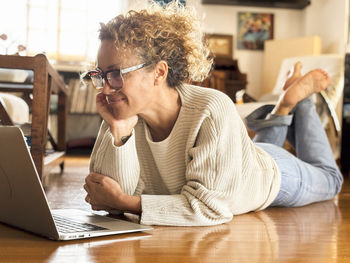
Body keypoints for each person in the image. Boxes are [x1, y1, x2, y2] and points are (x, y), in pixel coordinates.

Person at [82, 1, 343, 226]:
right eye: (101, 75)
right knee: (250, 155)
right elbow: (103, 196)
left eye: (116, 74)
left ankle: (303, 101)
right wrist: (118, 131)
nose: (105, 87)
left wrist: (126, 202)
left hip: (270, 175)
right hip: (235, 166)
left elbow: (210, 208)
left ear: (159, 73)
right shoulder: (122, 111)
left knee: (331, 181)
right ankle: (284, 105)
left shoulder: (210, 108)